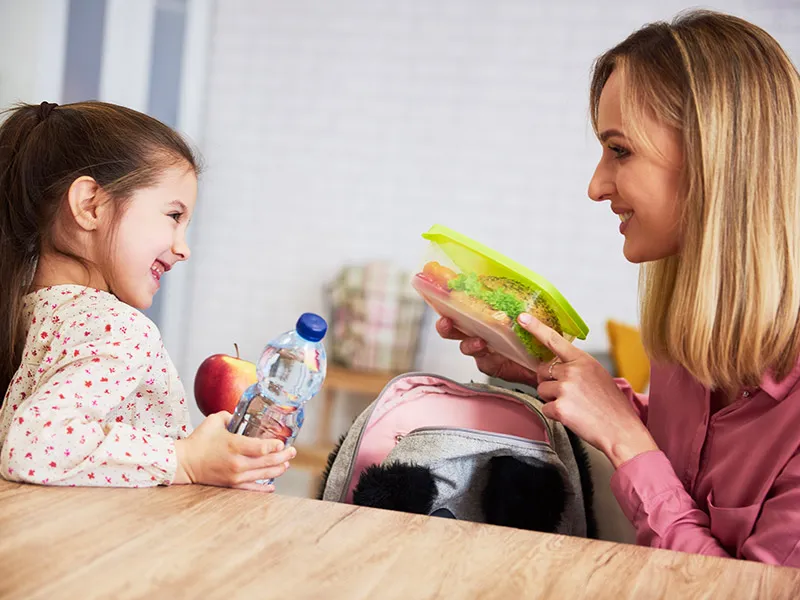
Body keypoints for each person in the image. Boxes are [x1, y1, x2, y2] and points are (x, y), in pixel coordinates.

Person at [438, 10, 800, 566]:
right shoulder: (689, 342)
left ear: (715, 158)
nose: (596, 185)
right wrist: (548, 372)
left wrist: (624, 441)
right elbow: (688, 462)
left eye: (620, 150)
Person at [0, 101, 294, 490]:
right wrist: (188, 460)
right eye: (174, 216)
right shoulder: (118, 328)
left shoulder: (23, 310)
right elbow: (34, 447)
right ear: (91, 206)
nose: (183, 247)